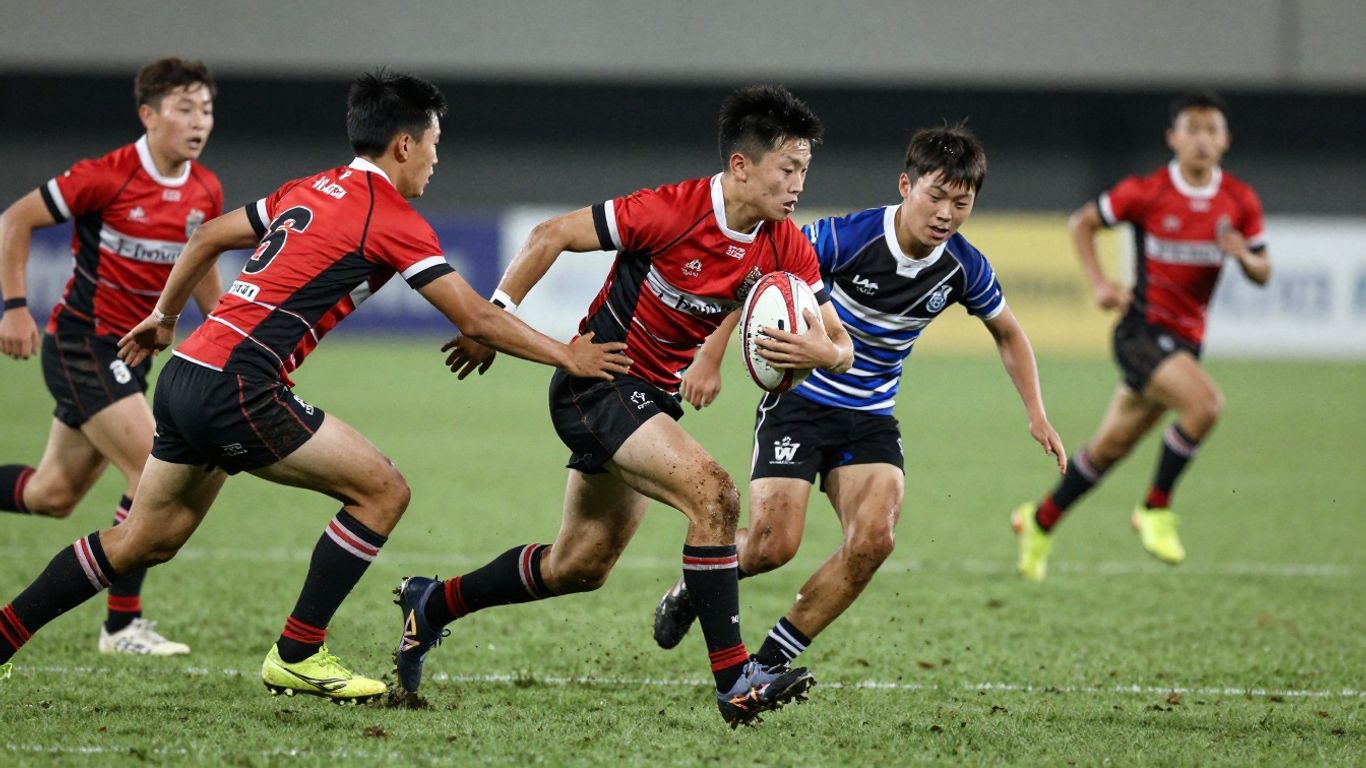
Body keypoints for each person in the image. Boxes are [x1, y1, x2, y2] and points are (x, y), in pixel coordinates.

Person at [0, 69, 630, 700]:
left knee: (143, 540)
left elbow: (208, 234)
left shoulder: (311, 188)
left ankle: (3, 634)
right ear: (404, 145)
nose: (437, 161)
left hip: (189, 372)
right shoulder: (389, 214)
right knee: (382, 492)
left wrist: (165, 320)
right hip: (239, 388)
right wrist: (566, 356)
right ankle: (299, 652)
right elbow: (475, 317)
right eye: (434, 145)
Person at [392, 85, 854, 727]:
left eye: (805, 169)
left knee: (579, 565)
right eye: (788, 168)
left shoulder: (784, 246)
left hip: (650, 402)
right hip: (597, 383)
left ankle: (432, 603)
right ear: (742, 166)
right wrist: (491, 319)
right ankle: (736, 680)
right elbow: (549, 234)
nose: (798, 183)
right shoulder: (671, 210)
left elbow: (841, 345)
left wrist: (822, 353)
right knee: (714, 494)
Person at [650, 124, 1066, 667]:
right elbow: (761, 273)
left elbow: (1008, 332)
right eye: (935, 196)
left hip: (870, 417)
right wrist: (711, 356)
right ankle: (692, 587)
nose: (945, 213)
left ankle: (771, 660)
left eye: (960, 203)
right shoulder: (848, 237)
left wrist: (1037, 413)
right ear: (905, 185)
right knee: (773, 547)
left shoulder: (963, 266)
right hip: (799, 404)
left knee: (874, 540)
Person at [0, 58, 222, 656]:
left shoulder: (205, 190)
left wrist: (231, 330)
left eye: (205, 108)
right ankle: (122, 627)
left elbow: (198, 264)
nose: (198, 121)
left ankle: (121, 626)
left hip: (131, 355)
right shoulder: (108, 175)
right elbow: (15, 219)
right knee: (155, 471)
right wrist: (14, 306)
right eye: (184, 108)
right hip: (83, 346)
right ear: (148, 115)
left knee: (52, 494)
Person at [1011, 90, 1270, 581]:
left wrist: (1244, 256)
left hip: (1185, 343)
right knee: (1205, 405)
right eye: (1191, 130)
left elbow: (1264, 270)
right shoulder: (1147, 192)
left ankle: (1038, 521)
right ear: (1172, 138)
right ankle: (1154, 508)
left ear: (1226, 140)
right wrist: (1101, 283)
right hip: (1141, 333)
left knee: (1109, 449)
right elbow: (1082, 222)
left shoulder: (1238, 201)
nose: (1201, 140)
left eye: (1210, 130)